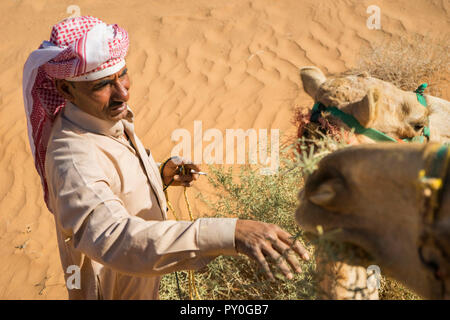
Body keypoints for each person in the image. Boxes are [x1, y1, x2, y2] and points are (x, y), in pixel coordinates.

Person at [22, 16, 309, 300]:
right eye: (101, 85)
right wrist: (229, 233)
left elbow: (113, 187)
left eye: (122, 74)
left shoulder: (104, 120)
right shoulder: (71, 158)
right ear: (66, 90)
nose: (122, 93)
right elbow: (117, 240)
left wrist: (159, 176)